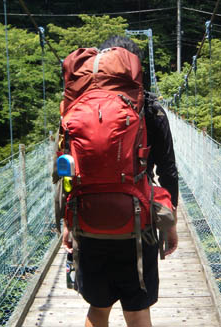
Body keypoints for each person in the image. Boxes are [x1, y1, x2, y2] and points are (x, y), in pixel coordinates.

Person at [61, 36, 179, 327]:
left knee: (98, 309)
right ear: (135, 69)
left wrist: (68, 225)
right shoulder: (151, 111)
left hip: (87, 221)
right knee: (137, 312)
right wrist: (170, 222)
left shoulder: (75, 109)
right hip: (137, 225)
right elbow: (168, 172)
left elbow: (65, 171)